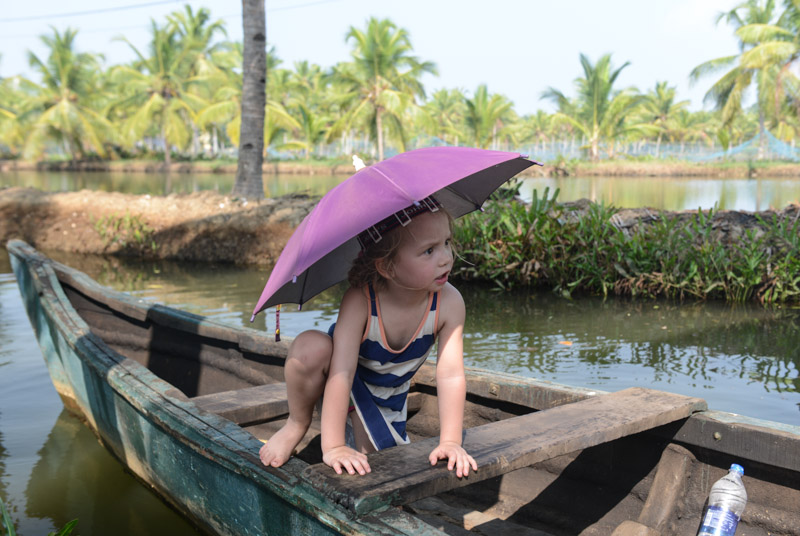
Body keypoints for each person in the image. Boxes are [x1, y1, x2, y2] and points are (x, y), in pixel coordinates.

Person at [258, 197, 477, 478]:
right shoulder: (361, 300)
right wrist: (334, 446)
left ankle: (359, 437)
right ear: (387, 267)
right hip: (341, 386)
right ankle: (296, 423)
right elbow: (342, 372)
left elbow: (450, 375)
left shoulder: (449, 303)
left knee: (377, 467)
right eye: (429, 251)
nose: (446, 257)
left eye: (447, 242)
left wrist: (450, 442)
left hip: (388, 401)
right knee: (308, 348)